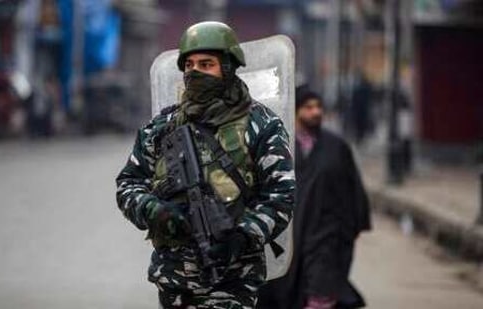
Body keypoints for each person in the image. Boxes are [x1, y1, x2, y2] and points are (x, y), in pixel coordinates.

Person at [115, 21, 295, 308]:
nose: (195, 72)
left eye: (206, 64)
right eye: (189, 65)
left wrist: (244, 235)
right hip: (175, 280)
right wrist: (155, 210)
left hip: (233, 280)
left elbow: (281, 196)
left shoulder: (261, 125)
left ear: (227, 67)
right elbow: (128, 184)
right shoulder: (161, 127)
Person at [257, 89, 371, 309]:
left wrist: (348, 230)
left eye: (318, 107)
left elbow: (353, 190)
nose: (316, 112)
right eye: (308, 107)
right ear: (296, 110)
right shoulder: (280, 145)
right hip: (289, 236)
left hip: (326, 236)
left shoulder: (336, 147)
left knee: (320, 293)